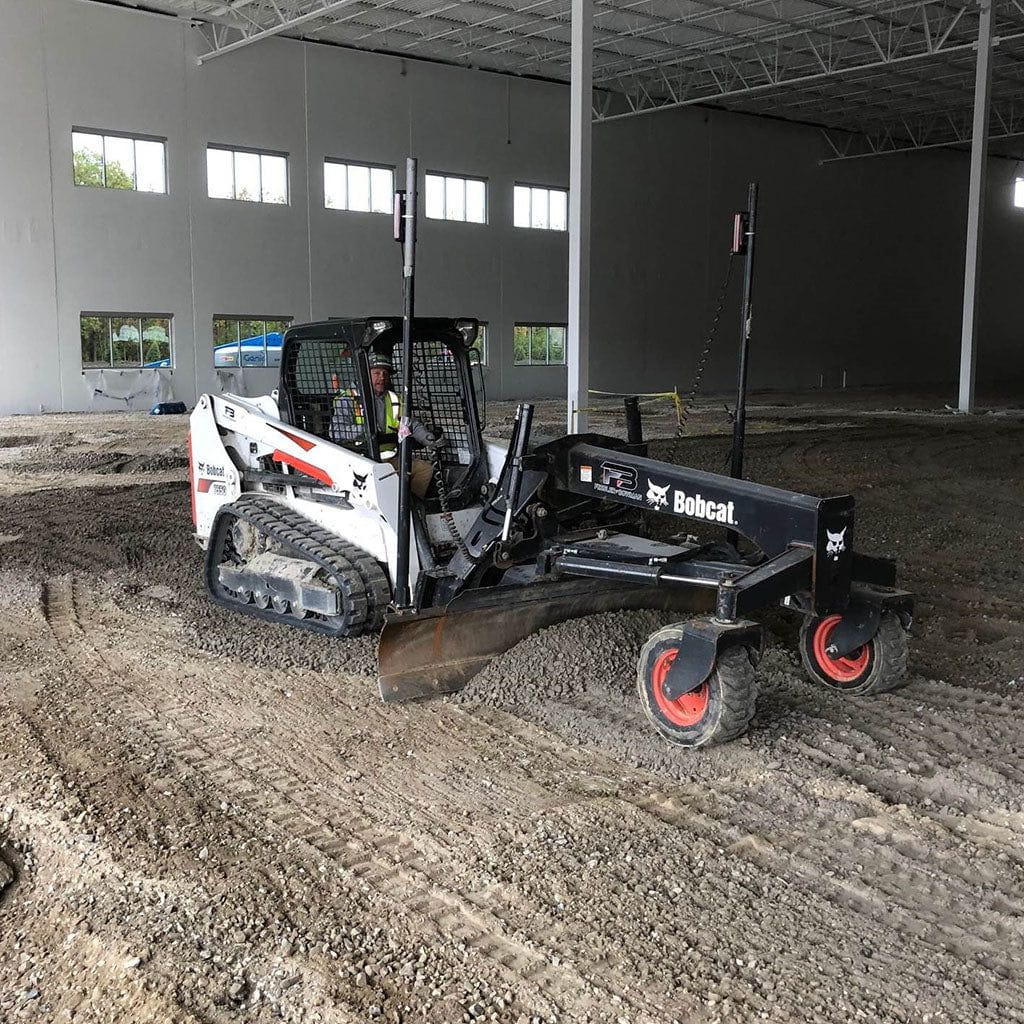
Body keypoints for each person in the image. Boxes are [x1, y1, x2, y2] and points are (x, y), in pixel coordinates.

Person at [329, 351, 439, 499]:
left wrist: (428, 438)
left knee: (424, 470)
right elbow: (335, 432)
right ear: (365, 374)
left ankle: (411, 506)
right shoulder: (348, 399)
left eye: (385, 373)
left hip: (388, 460)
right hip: (360, 461)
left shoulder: (393, 399)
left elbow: (410, 423)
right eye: (377, 373)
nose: (382, 377)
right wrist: (364, 431)